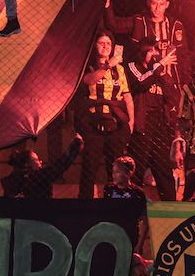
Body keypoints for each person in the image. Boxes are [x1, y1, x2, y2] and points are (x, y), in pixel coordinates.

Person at [75, 31, 134, 198]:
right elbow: (89, 80)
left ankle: (114, 201)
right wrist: (108, 65)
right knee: (89, 168)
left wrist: (130, 124)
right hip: (93, 124)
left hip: (114, 124)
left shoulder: (119, 70)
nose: (106, 46)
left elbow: (127, 96)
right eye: (102, 43)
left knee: (115, 167)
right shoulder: (89, 65)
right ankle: (85, 204)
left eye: (108, 43)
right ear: (95, 46)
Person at [125, 39, 180, 201]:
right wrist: (159, 65)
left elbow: (172, 98)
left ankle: (170, 208)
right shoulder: (133, 67)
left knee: (164, 169)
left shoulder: (159, 71)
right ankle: (132, 206)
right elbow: (141, 82)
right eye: (151, 52)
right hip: (142, 124)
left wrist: (163, 73)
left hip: (159, 125)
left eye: (157, 52)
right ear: (143, 52)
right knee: (138, 169)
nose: (155, 55)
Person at [1, 134, 84, 199]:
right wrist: (76, 145)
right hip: (40, 215)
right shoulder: (37, 176)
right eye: (36, 160)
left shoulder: (12, 179)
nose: (40, 162)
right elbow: (60, 165)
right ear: (27, 164)